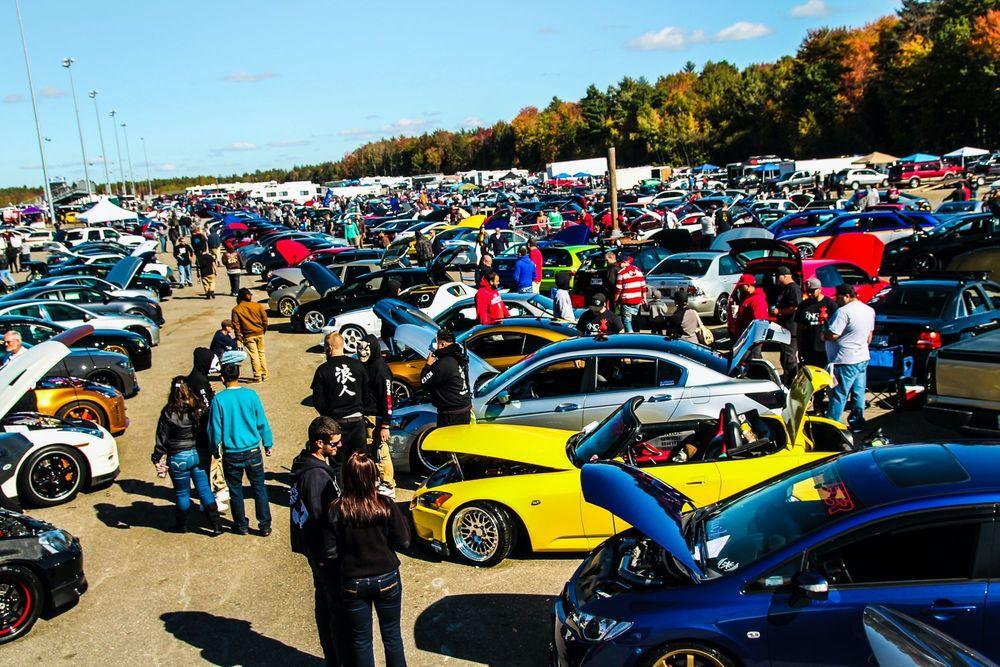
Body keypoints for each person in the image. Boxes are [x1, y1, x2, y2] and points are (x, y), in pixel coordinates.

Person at [326, 451, 410, 667]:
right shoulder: (384, 505)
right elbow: (404, 541)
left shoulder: (338, 509)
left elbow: (329, 551)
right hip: (387, 576)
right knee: (392, 636)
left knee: (361, 640)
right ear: (373, 476)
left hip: (353, 581)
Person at [289, 416, 351, 666]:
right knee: (333, 610)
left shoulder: (312, 466)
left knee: (327, 605)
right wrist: (331, 554)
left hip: (317, 551)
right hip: (325, 555)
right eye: (334, 443)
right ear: (318, 442)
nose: (339, 446)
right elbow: (319, 519)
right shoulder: (315, 477)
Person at [209, 363, 274, 536]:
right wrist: (267, 443)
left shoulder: (218, 400)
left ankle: (241, 524)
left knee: (235, 490)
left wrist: (215, 449)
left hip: (232, 454)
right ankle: (265, 524)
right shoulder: (251, 395)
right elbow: (262, 422)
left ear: (222, 378)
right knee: (259, 487)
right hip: (253, 450)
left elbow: (215, 428)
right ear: (239, 375)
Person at [152, 377, 222, 535]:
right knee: (204, 489)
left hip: (178, 457)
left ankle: (182, 524)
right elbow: (207, 428)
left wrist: (157, 456)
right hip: (198, 453)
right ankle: (216, 524)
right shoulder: (198, 407)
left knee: (182, 492)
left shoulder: (169, 412)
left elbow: (162, 437)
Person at [823, 284, 876, 432]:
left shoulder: (843, 312)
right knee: (859, 392)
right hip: (863, 357)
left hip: (845, 359)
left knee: (839, 394)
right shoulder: (869, 310)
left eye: (838, 297)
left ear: (846, 296)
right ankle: (857, 422)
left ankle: (832, 426)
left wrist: (823, 335)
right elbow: (869, 337)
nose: (837, 300)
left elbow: (833, 334)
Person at [312, 332, 370, 464]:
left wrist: (327, 416)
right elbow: (367, 395)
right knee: (360, 462)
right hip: (357, 421)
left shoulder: (323, 370)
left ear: (330, 348)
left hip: (336, 424)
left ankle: (340, 485)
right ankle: (360, 485)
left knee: (337, 463)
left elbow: (317, 401)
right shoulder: (358, 366)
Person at [357, 334, 395, 497]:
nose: (362, 352)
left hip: (377, 418)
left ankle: (388, 484)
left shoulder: (380, 369)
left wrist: (385, 424)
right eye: (359, 349)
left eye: (366, 349)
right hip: (366, 416)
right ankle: (376, 481)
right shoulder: (364, 366)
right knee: (370, 451)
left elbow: (387, 398)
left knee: (381, 450)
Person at [420, 328, 472, 427]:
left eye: (436, 342)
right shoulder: (457, 358)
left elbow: (424, 382)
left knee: (449, 441)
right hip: (463, 408)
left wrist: (428, 365)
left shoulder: (443, 363)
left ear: (442, 344)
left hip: (451, 414)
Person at [771, 266, 802, 385]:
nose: (777, 280)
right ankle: (787, 380)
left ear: (785, 276)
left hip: (791, 330)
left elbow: (795, 306)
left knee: (789, 359)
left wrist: (780, 312)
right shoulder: (785, 289)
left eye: (778, 277)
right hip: (784, 329)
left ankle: (791, 384)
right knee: (783, 357)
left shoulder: (793, 289)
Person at [231, 288, 268, 383]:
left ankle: (257, 376)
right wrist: (263, 330)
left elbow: (236, 325)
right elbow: (265, 320)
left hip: (248, 335)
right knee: (261, 354)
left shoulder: (236, 309)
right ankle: (265, 374)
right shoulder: (258, 306)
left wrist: (238, 337)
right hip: (260, 333)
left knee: (254, 356)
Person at [728, 274, 768, 345]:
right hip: (744, 337)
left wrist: (752, 339)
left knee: (753, 356)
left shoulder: (757, 300)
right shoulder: (748, 297)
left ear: (748, 285)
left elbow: (759, 322)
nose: (740, 287)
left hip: (751, 339)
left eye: (742, 285)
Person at [614, 256, 647, 333]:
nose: (619, 265)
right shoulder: (638, 271)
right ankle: (637, 334)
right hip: (638, 299)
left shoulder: (621, 273)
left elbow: (618, 289)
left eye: (620, 263)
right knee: (636, 318)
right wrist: (644, 298)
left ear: (625, 262)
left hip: (627, 300)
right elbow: (643, 286)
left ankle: (630, 334)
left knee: (627, 320)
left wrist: (615, 300)